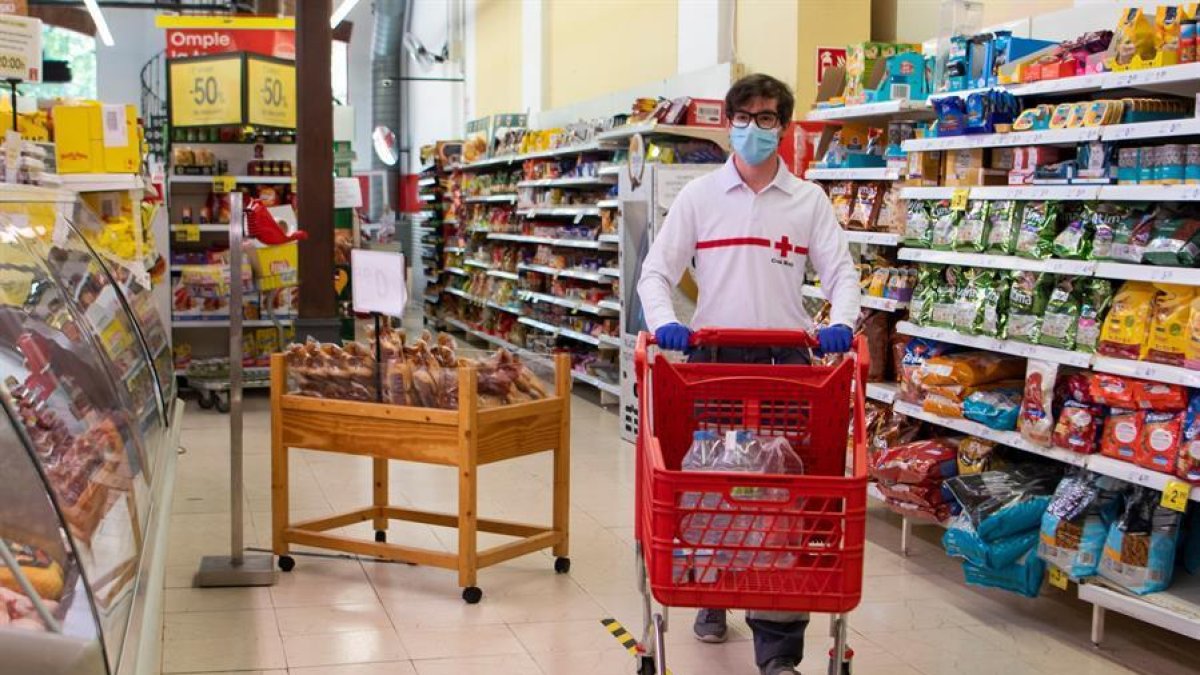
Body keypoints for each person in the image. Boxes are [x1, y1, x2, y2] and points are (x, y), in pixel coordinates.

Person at [636, 73, 861, 675]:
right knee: (714, 484)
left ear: (784, 128)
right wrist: (665, 325)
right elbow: (655, 274)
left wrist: (838, 322)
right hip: (713, 367)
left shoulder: (807, 201)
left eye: (768, 118)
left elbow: (843, 275)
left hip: (789, 371)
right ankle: (710, 593)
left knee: (783, 499)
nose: (756, 127)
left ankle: (778, 652)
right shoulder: (701, 198)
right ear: (729, 123)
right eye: (745, 116)